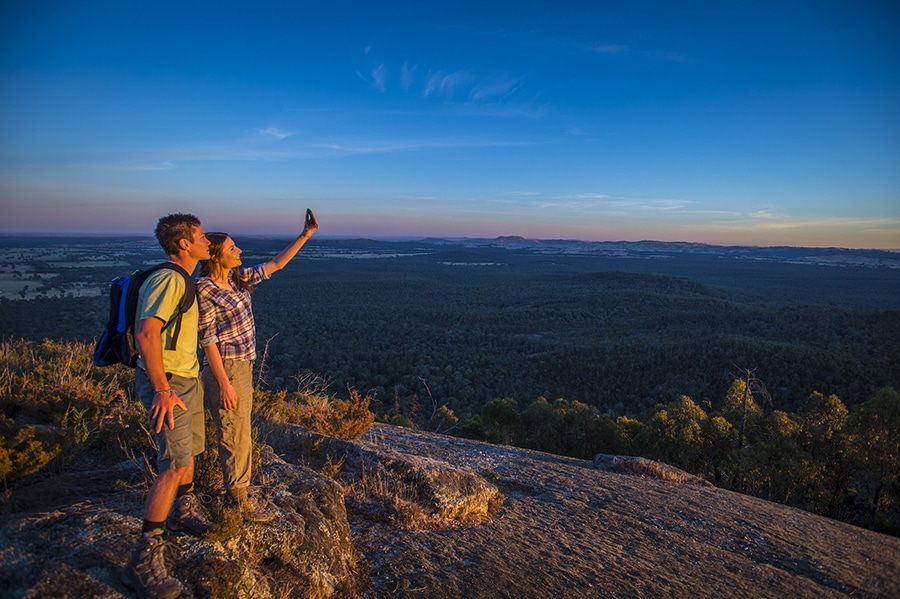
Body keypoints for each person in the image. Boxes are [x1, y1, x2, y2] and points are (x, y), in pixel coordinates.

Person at [197, 208, 319, 522]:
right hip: (226, 368)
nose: (239, 251)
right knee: (233, 433)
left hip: (243, 366)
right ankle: (237, 503)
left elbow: (276, 264)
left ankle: (239, 493)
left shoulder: (237, 279)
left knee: (240, 432)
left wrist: (305, 235)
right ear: (215, 256)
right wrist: (223, 382)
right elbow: (207, 339)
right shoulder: (204, 289)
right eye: (232, 249)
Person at [122, 213, 212, 599]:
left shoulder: (185, 280)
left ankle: (185, 511)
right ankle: (142, 561)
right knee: (173, 465)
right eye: (202, 235)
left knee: (189, 451)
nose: (207, 241)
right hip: (169, 383)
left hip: (185, 379)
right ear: (184, 244)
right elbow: (147, 331)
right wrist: (160, 388)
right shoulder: (169, 279)